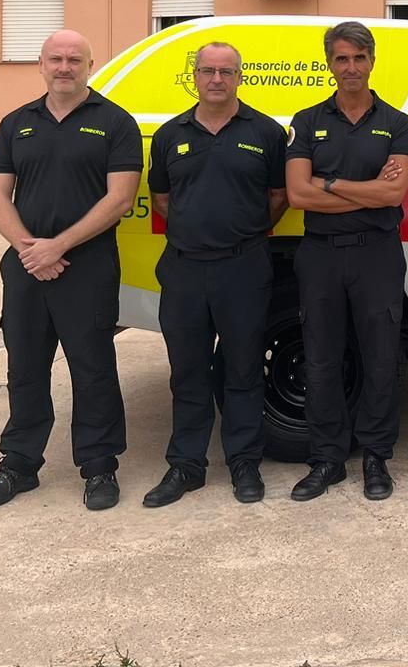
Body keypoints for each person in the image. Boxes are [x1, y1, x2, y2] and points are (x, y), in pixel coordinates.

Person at [0, 29, 142, 512]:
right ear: (41, 65)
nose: (64, 67)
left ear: (90, 64)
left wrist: (59, 246)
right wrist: (30, 249)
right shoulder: (16, 123)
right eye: (55, 59)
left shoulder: (114, 122)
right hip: (26, 265)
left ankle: (98, 466)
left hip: (87, 265)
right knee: (24, 368)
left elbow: (120, 198)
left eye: (74, 59)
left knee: (93, 369)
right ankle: (19, 465)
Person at [143, 41, 287, 507]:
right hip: (185, 269)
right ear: (196, 77)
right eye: (209, 71)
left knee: (243, 370)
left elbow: (278, 196)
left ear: (240, 76)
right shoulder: (170, 135)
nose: (217, 79)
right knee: (187, 371)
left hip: (244, 267)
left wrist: (243, 232)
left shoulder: (265, 132)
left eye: (227, 71)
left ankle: (244, 462)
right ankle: (186, 465)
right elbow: (163, 199)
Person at [285, 22, 408, 502]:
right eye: (342, 59)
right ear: (329, 63)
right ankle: (326, 459)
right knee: (321, 359)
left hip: (377, 254)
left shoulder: (397, 122)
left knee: (381, 356)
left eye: (359, 58)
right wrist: (365, 192)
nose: (351, 67)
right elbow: (299, 194)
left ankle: (377, 456)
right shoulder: (306, 119)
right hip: (320, 255)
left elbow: (394, 192)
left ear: (372, 60)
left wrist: (331, 182)